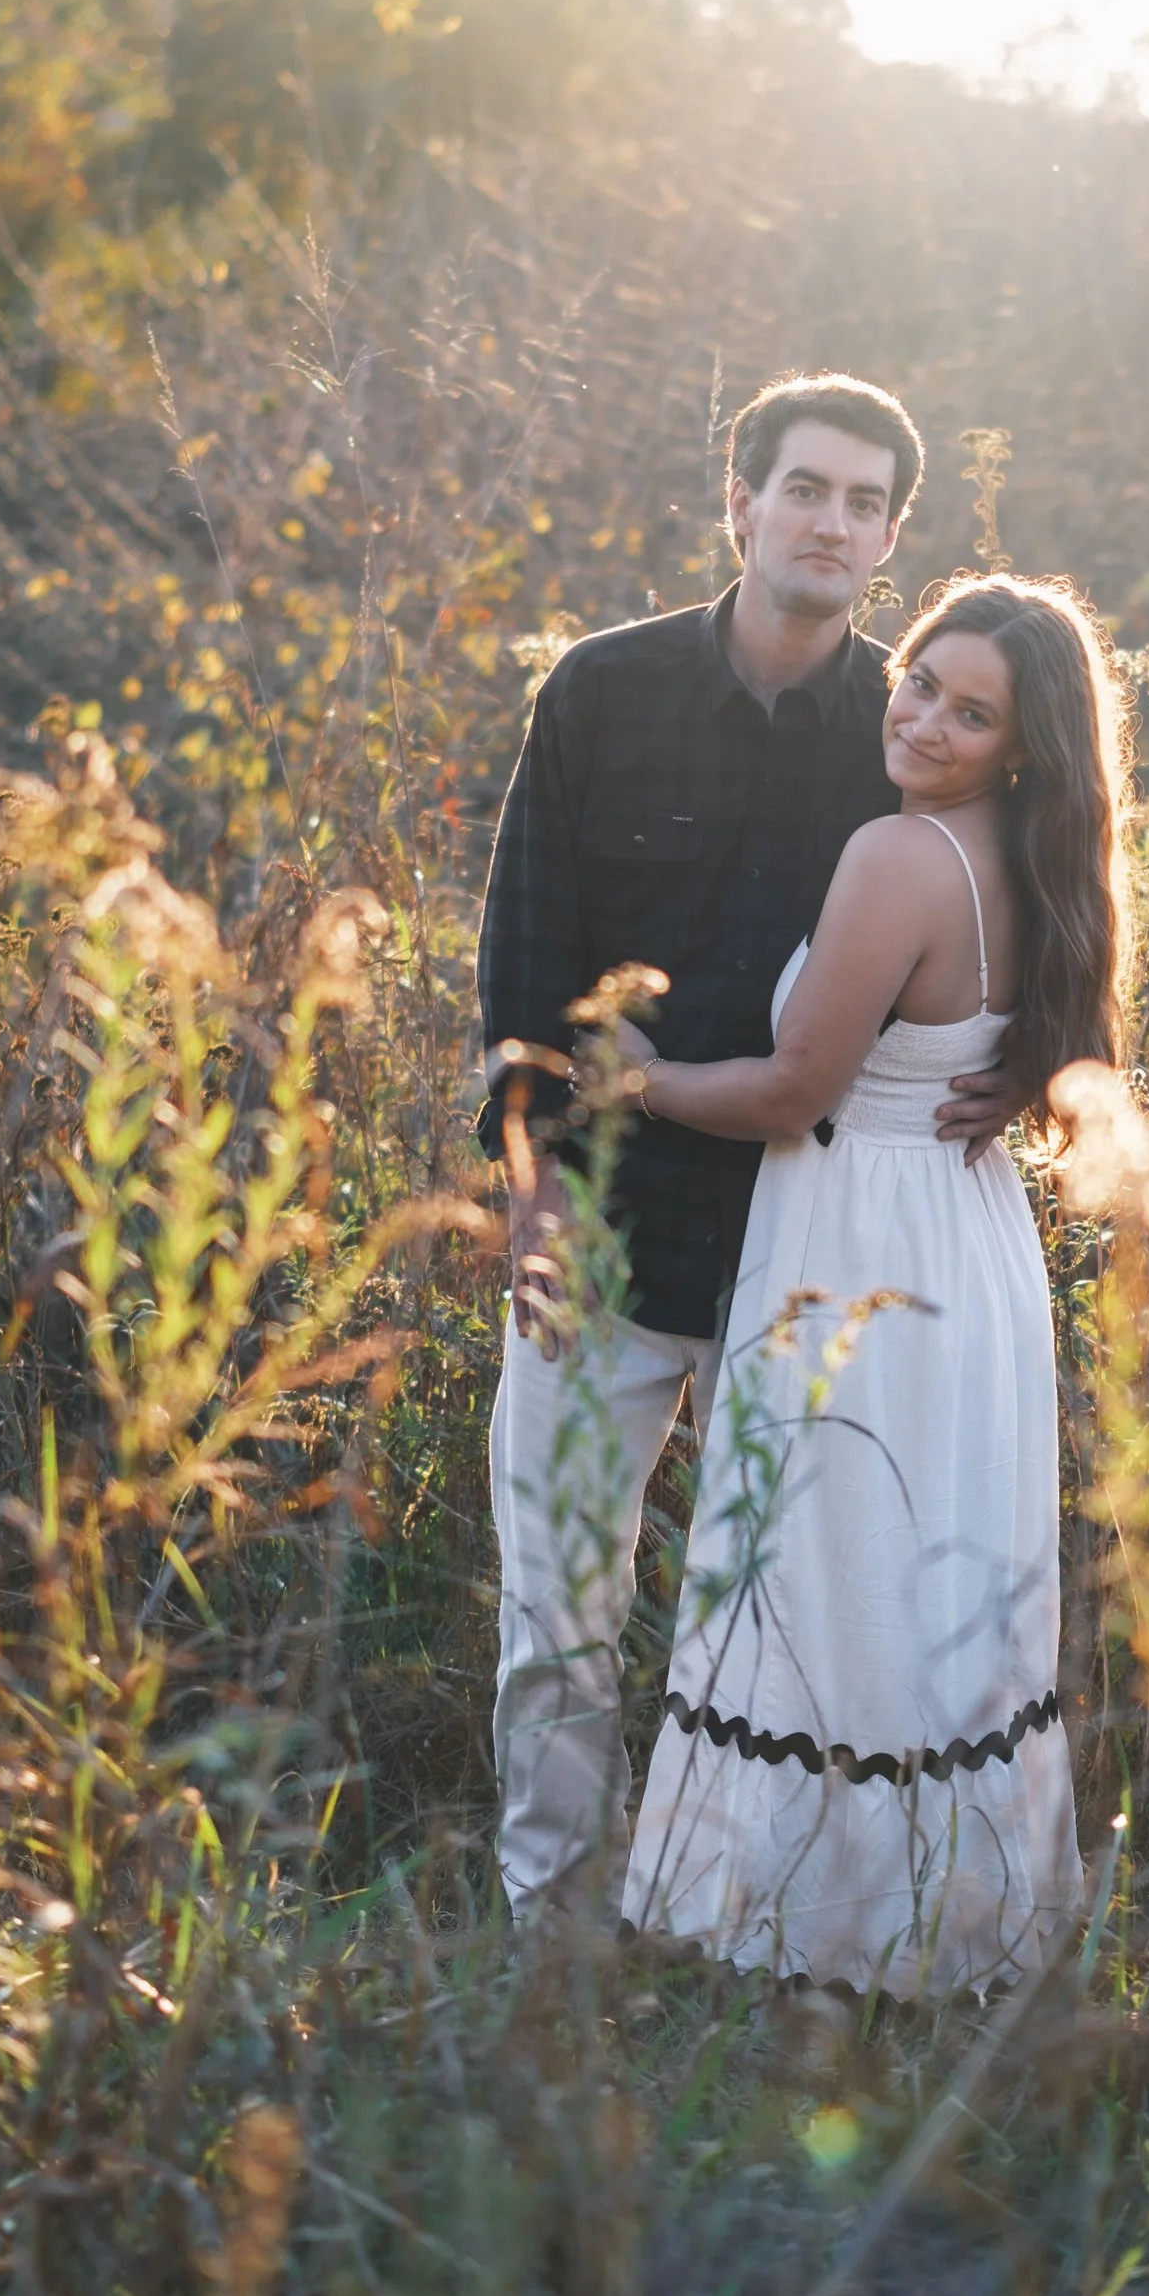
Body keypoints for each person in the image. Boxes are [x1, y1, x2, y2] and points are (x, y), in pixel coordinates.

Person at [475, 373, 1015, 1914]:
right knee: (562, 1604)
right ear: (742, 502)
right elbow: (524, 967)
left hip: (815, 1240)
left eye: (863, 502)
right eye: (805, 488)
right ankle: (553, 1927)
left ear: (892, 533)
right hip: (606, 1222)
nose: (831, 521)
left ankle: (756, 1923)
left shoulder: (906, 729)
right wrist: (526, 1197)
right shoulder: (603, 691)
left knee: (806, 1605)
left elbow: (1026, 892)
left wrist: (1033, 1059)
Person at [612, 576, 1129, 1998]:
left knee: (835, 1557)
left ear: (1024, 744)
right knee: (932, 1566)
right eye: (921, 685)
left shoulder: (900, 857)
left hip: (860, 1242)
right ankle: (945, 1921)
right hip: (964, 1240)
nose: (926, 722)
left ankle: (816, 1929)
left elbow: (794, 1084)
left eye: (975, 713)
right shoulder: (1040, 862)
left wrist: (630, 1078)